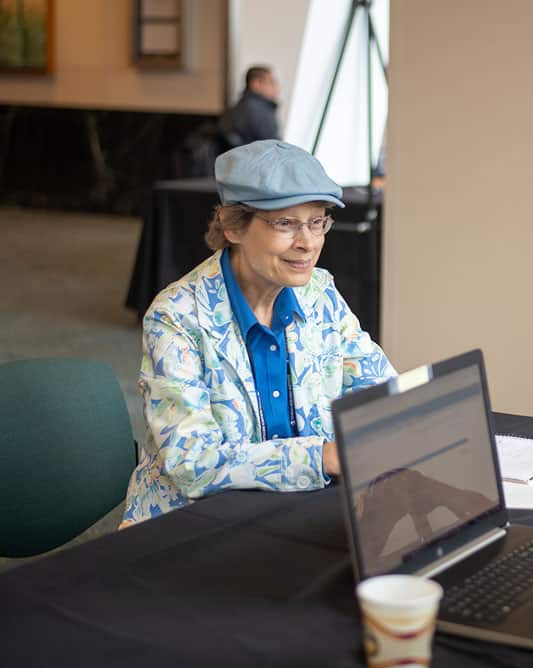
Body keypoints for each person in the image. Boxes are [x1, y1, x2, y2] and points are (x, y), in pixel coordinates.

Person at [120, 140, 395, 527]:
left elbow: (380, 389)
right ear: (234, 226)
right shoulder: (176, 316)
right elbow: (193, 463)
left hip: (297, 511)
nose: (308, 243)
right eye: (286, 223)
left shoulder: (320, 293)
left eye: (317, 222)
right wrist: (320, 457)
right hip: (193, 524)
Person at [218, 65, 281, 149]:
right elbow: (274, 148)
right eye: (271, 82)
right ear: (256, 84)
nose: (277, 88)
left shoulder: (242, 105)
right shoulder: (259, 109)